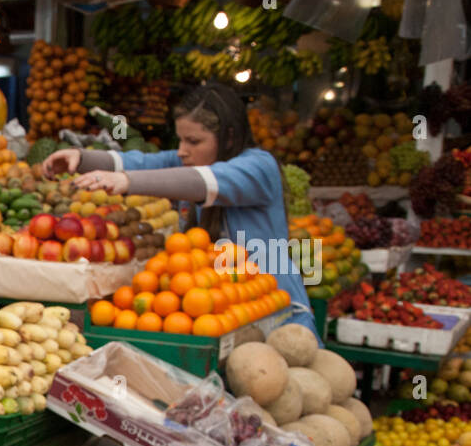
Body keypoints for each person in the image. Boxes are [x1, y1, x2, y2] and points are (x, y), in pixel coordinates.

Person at [40, 83, 318, 336]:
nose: (183, 151)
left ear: (229, 137)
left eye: (194, 141)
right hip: (224, 318)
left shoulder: (258, 166)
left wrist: (126, 182)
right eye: (181, 140)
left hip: (277, 318)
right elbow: (145, 162)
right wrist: (83, 158)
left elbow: (202, 183)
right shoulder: (190, 160)